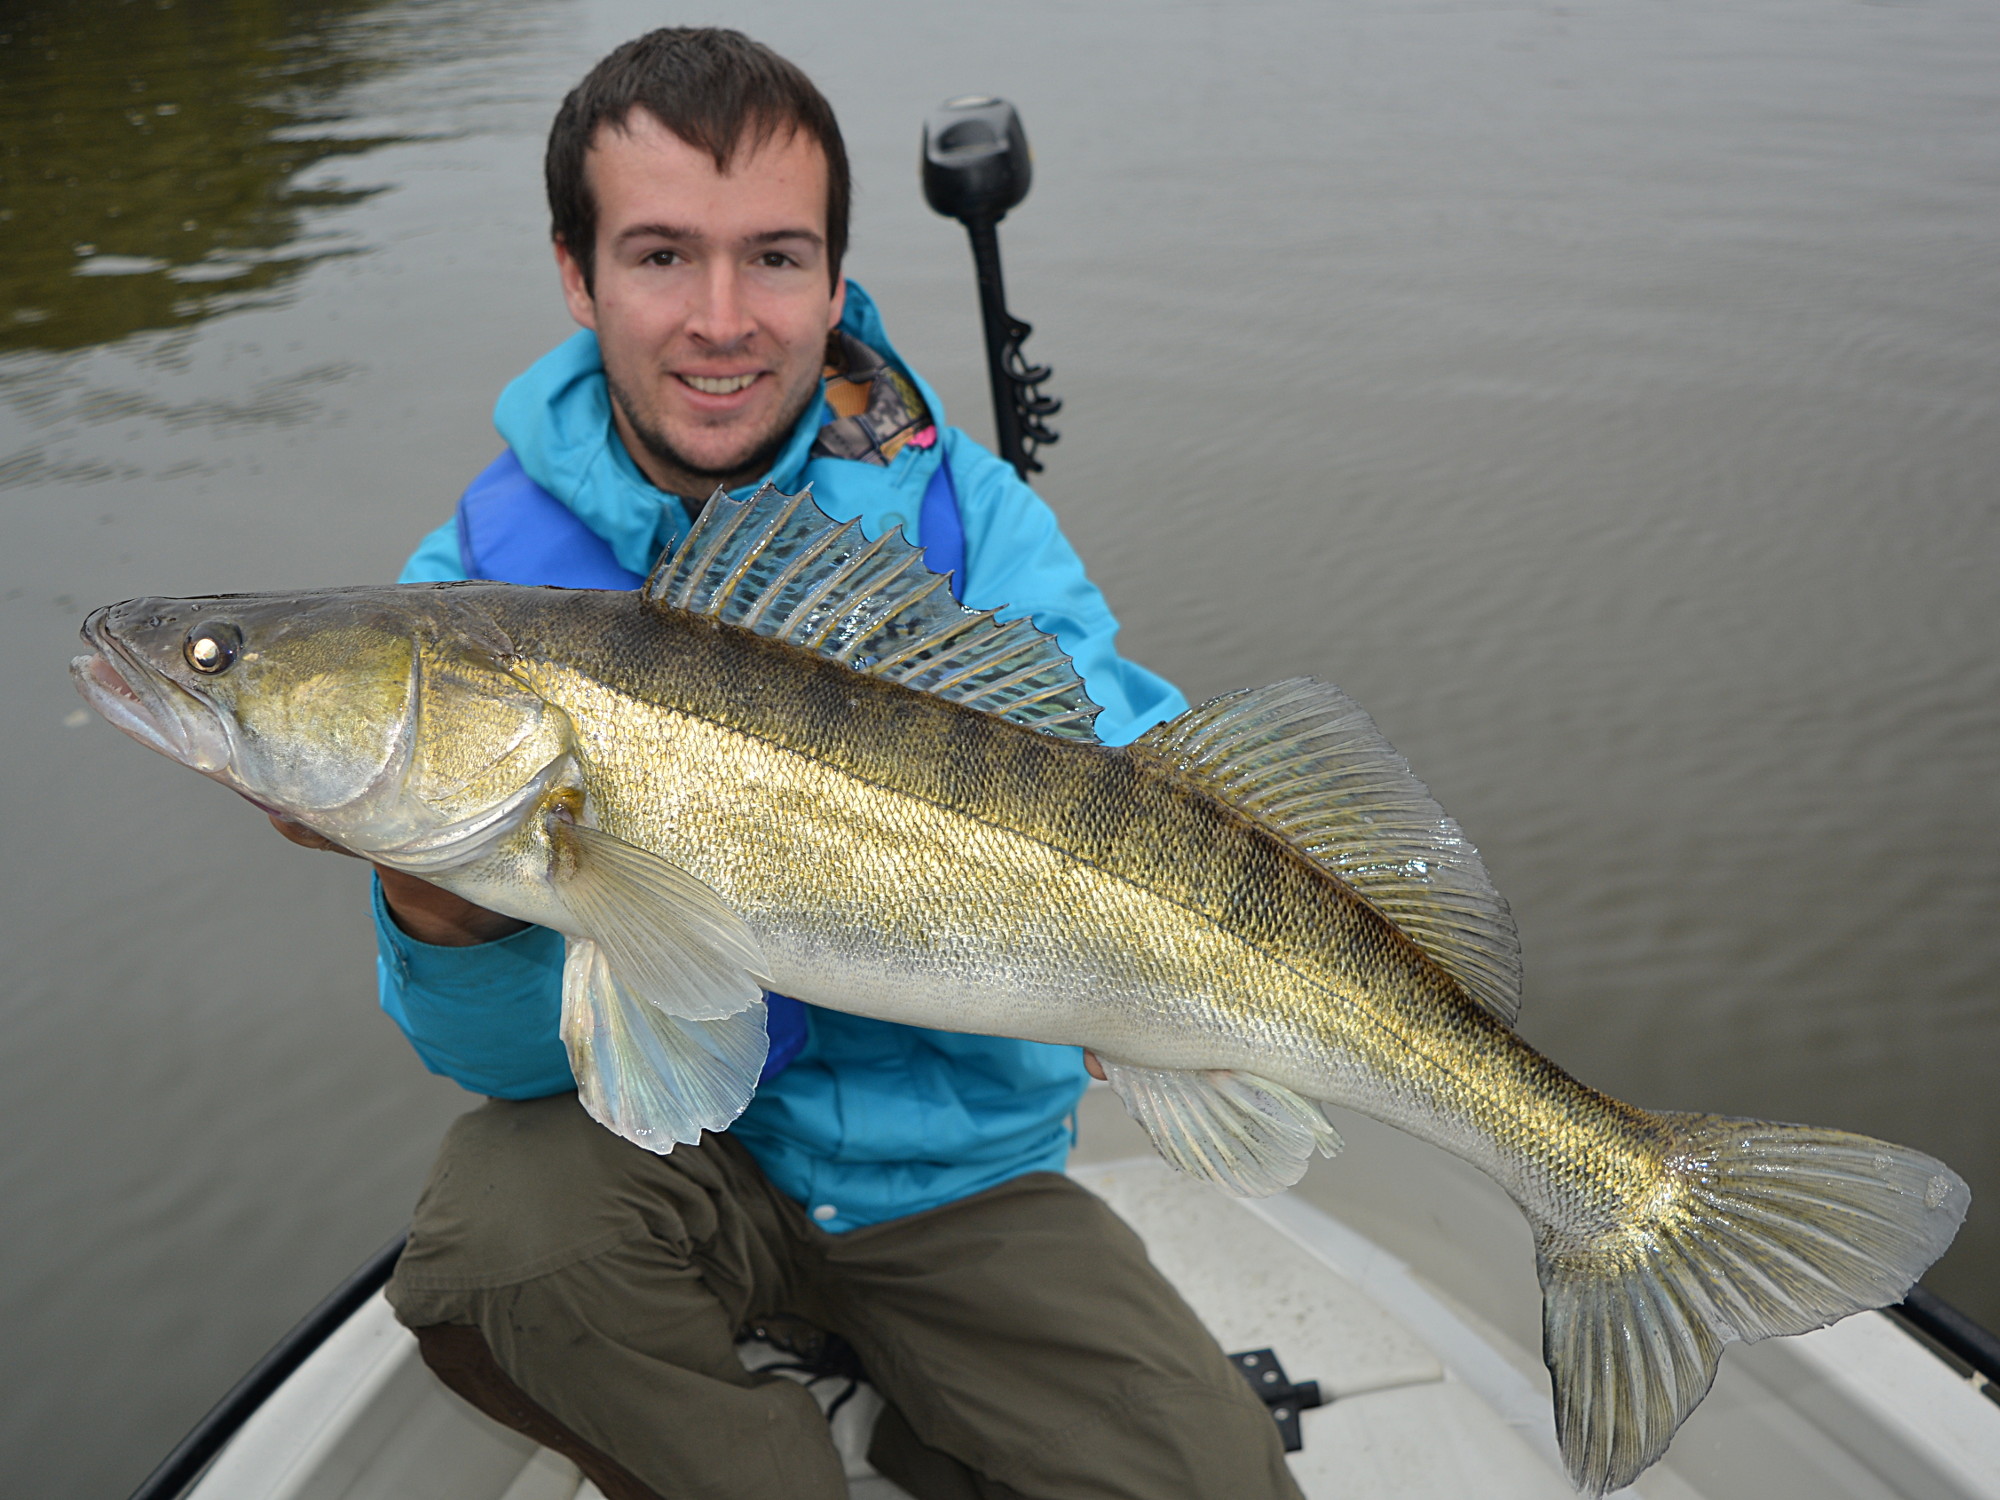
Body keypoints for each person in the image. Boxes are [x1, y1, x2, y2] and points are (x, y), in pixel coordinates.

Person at [291, 28, 1305, 1500]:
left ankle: (919, 1413)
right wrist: (445, 913)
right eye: (658, 257)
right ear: (578, 277)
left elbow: (1141, 773)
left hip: (954, 1183)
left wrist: (1173, 974)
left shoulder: (969, 521)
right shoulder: (463, 607)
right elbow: (501, 1064)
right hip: (684, 1170)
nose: (721, 319)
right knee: (493, 1250)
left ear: (836, 280)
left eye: (773, 258)